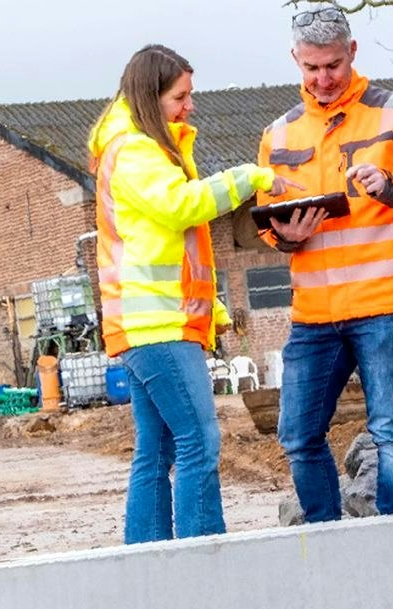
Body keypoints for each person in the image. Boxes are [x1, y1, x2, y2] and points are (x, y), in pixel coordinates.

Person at [257, 6, 393, 521]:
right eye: (310, 68)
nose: (322, 79)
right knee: (298, 435)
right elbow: (265, 223)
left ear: (352, 53)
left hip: (386, 304)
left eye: (332, 66)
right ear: (295, 62)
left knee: (390, 428)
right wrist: (285, 238)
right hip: (314, 314)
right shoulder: (277, 135)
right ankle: (329, 540)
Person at [88, 45, 295, 543]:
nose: (189, 106)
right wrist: (253, 178)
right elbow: (182, 209)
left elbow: (171, 245)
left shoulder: (138, 148)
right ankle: (203, 557)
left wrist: (214, 307)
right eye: (180, 97)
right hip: (158, 327)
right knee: (199, 441)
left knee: (155, 451)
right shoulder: (135, 150)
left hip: (149, 325)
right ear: (149, 96)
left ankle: (150, 559)